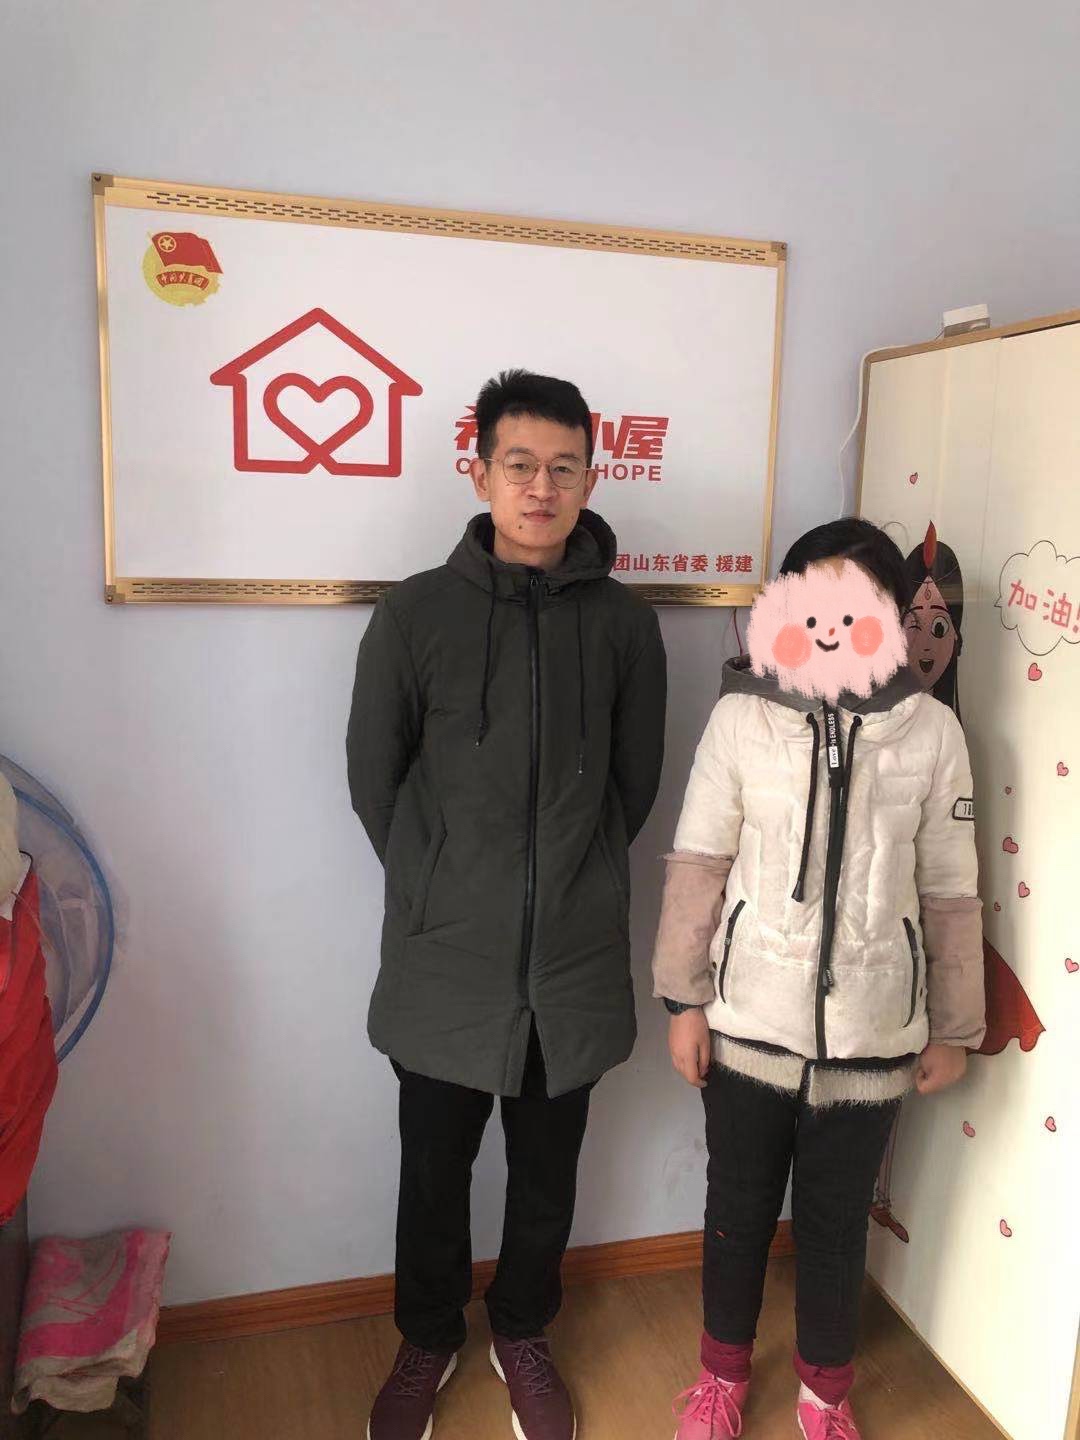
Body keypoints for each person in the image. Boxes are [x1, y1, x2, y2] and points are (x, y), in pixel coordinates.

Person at [348, 369, 667, 1440]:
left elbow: (632, 788)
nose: (541, 488)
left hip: (569, 958)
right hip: (446, 953)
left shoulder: (624, 626)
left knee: (546, 1175)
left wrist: (571, 878)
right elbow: (375, 778)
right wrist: (440, 880)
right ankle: (427, 1336)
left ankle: (523, 1329)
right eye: (519, 464)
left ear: (591, 481)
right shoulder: (415, 614)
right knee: (433, 1172)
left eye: (563, 468)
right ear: (479, 471)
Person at [652, 518, 985, 1440]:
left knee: (836, 1224)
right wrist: (684, 1001)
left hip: (873, 1034)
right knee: (737, 1212)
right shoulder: (741, 716)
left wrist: (955, 1026)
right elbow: (698, 862)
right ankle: (720, 1379)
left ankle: (826, 1395)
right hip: (748, 1021)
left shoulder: (932, 731)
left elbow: (952, 890)